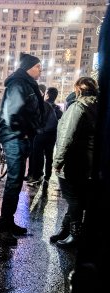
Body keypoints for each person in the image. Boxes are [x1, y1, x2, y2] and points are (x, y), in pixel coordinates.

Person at [0, 53, 44, 246]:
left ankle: (8, 222)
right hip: (16, 138)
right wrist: (21, 133)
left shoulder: (26, 84)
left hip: (21, 137)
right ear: (28, 67)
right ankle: (3, 228)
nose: (41, 70)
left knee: (16, 182)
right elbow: (10, 114)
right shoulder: (18, 84)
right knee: (14, 182)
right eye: (38, 66)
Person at [51, 77, 98, 248]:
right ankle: (65, 229)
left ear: (78, 89)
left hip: (75, 161)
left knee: (73, 198)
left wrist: (58, 161)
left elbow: (66, 136)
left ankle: (75, 234)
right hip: (90, 163)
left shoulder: (78, 106)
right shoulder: (98, 105)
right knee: (76, 198)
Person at [27, 87, 62, 185]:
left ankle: (37, 176)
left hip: (41, 134)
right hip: (52, 135)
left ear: (47, 94)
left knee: (37, 155)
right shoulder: (58, 109)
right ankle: (47, 176)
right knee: (49, 156)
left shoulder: (42, 105)